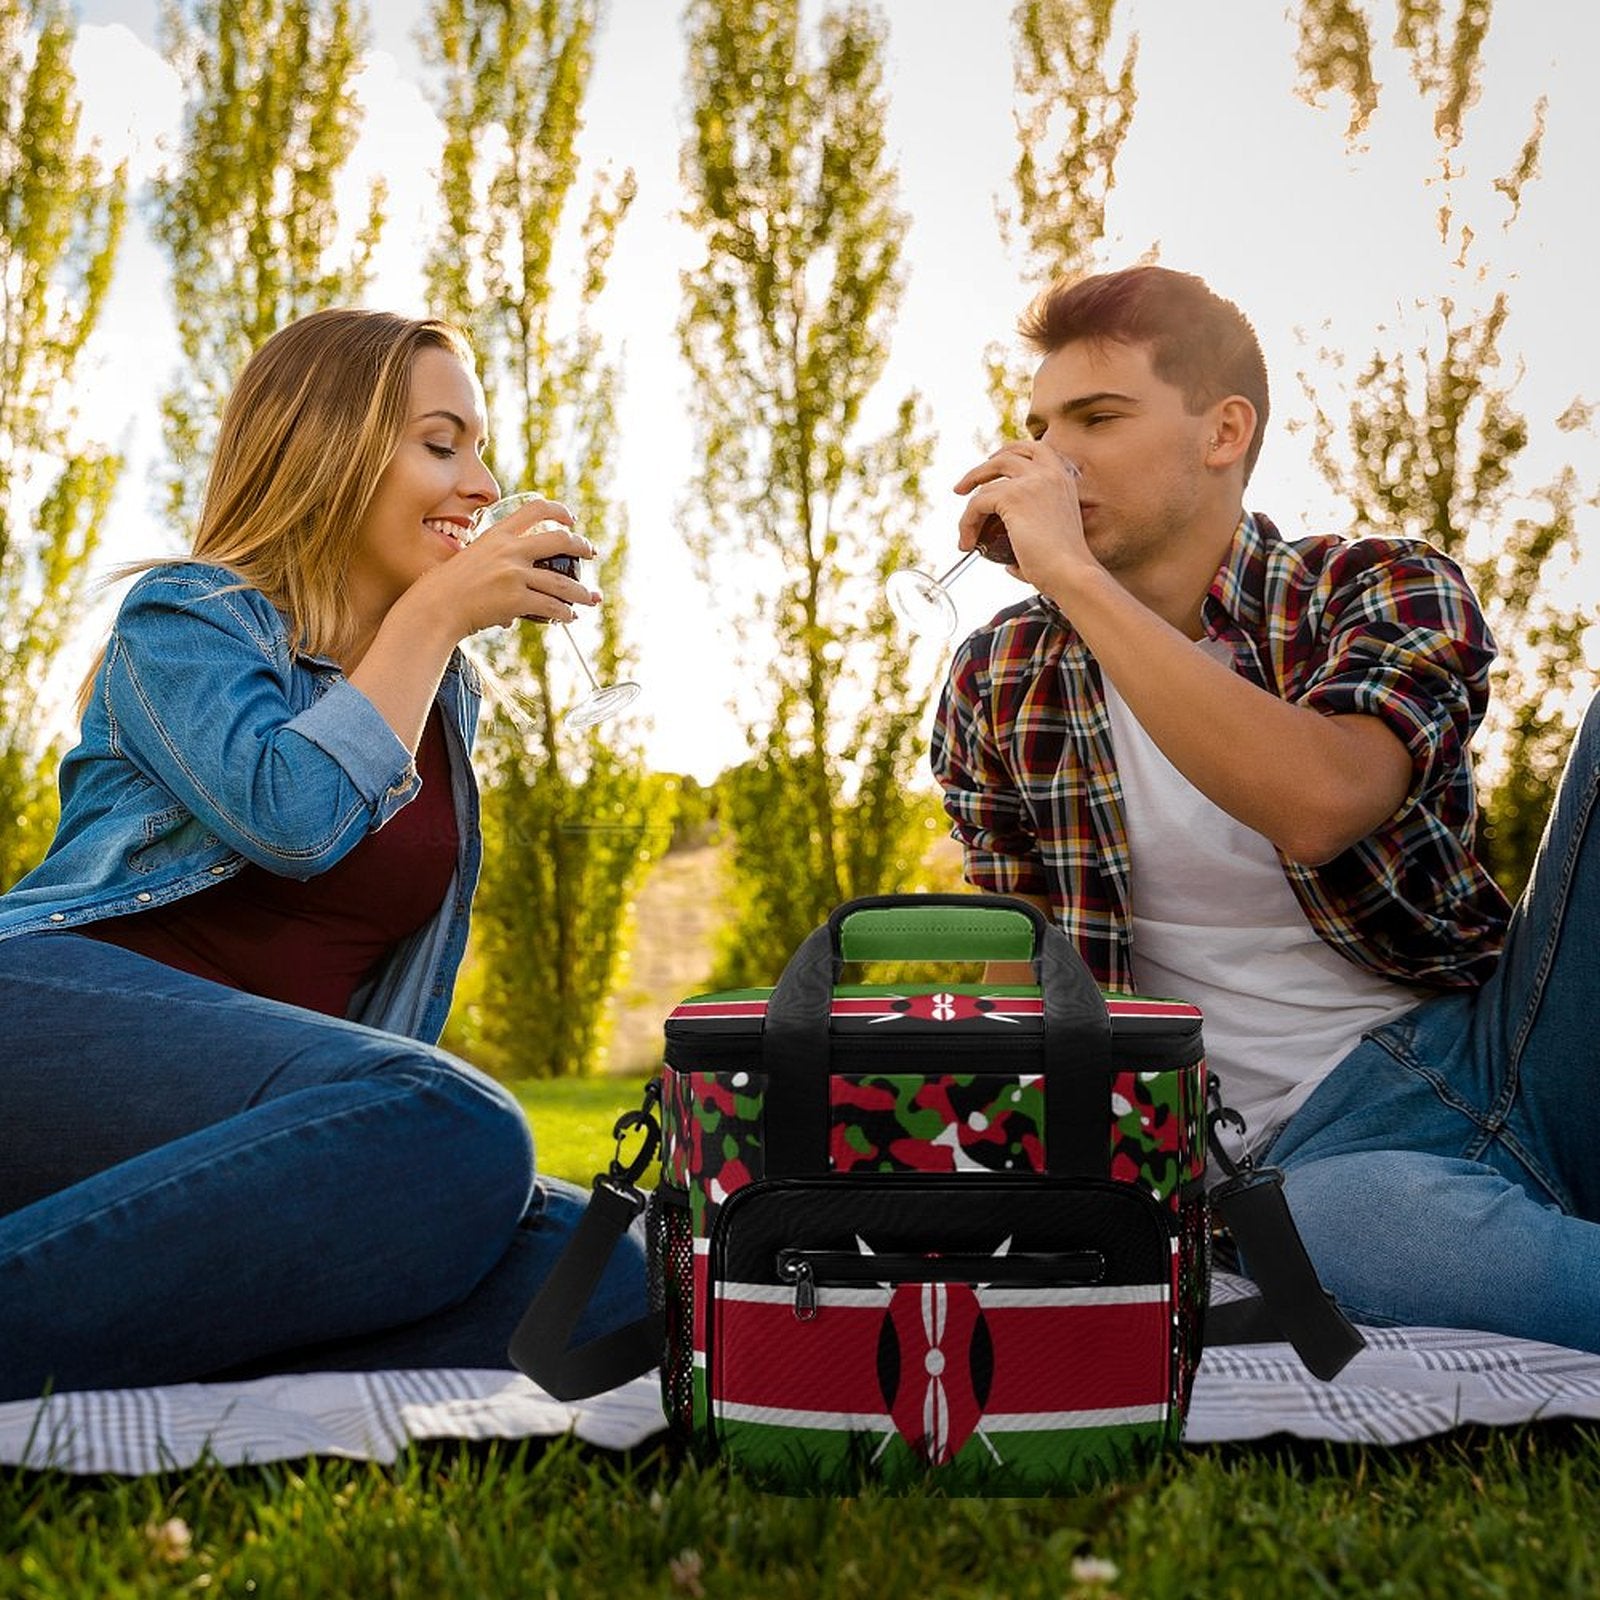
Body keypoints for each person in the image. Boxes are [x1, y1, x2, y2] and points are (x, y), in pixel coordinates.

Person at [931, 263, 1600, 1353]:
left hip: (1501, 1051)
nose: (1052, 458)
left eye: (1097, 417)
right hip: (1313, 1163)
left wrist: (1079, 581)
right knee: (1328, 1232)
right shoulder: (999, 679)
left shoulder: (1375, 587)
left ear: (1223, 431)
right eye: (1040, 425)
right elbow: (1042, 985)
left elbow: (1324, 799)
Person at [0, 308, 645, 1401]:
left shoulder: (444, 704)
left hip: (243, 1122)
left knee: (610, 1285)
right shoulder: (186, 618)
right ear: (326, 451)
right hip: (42, 1029)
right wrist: (434, 615)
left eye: (480, 449)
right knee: (460, 1125)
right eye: (442, 443)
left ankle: (115, 1334)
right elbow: (291, 818)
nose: (482, 483)